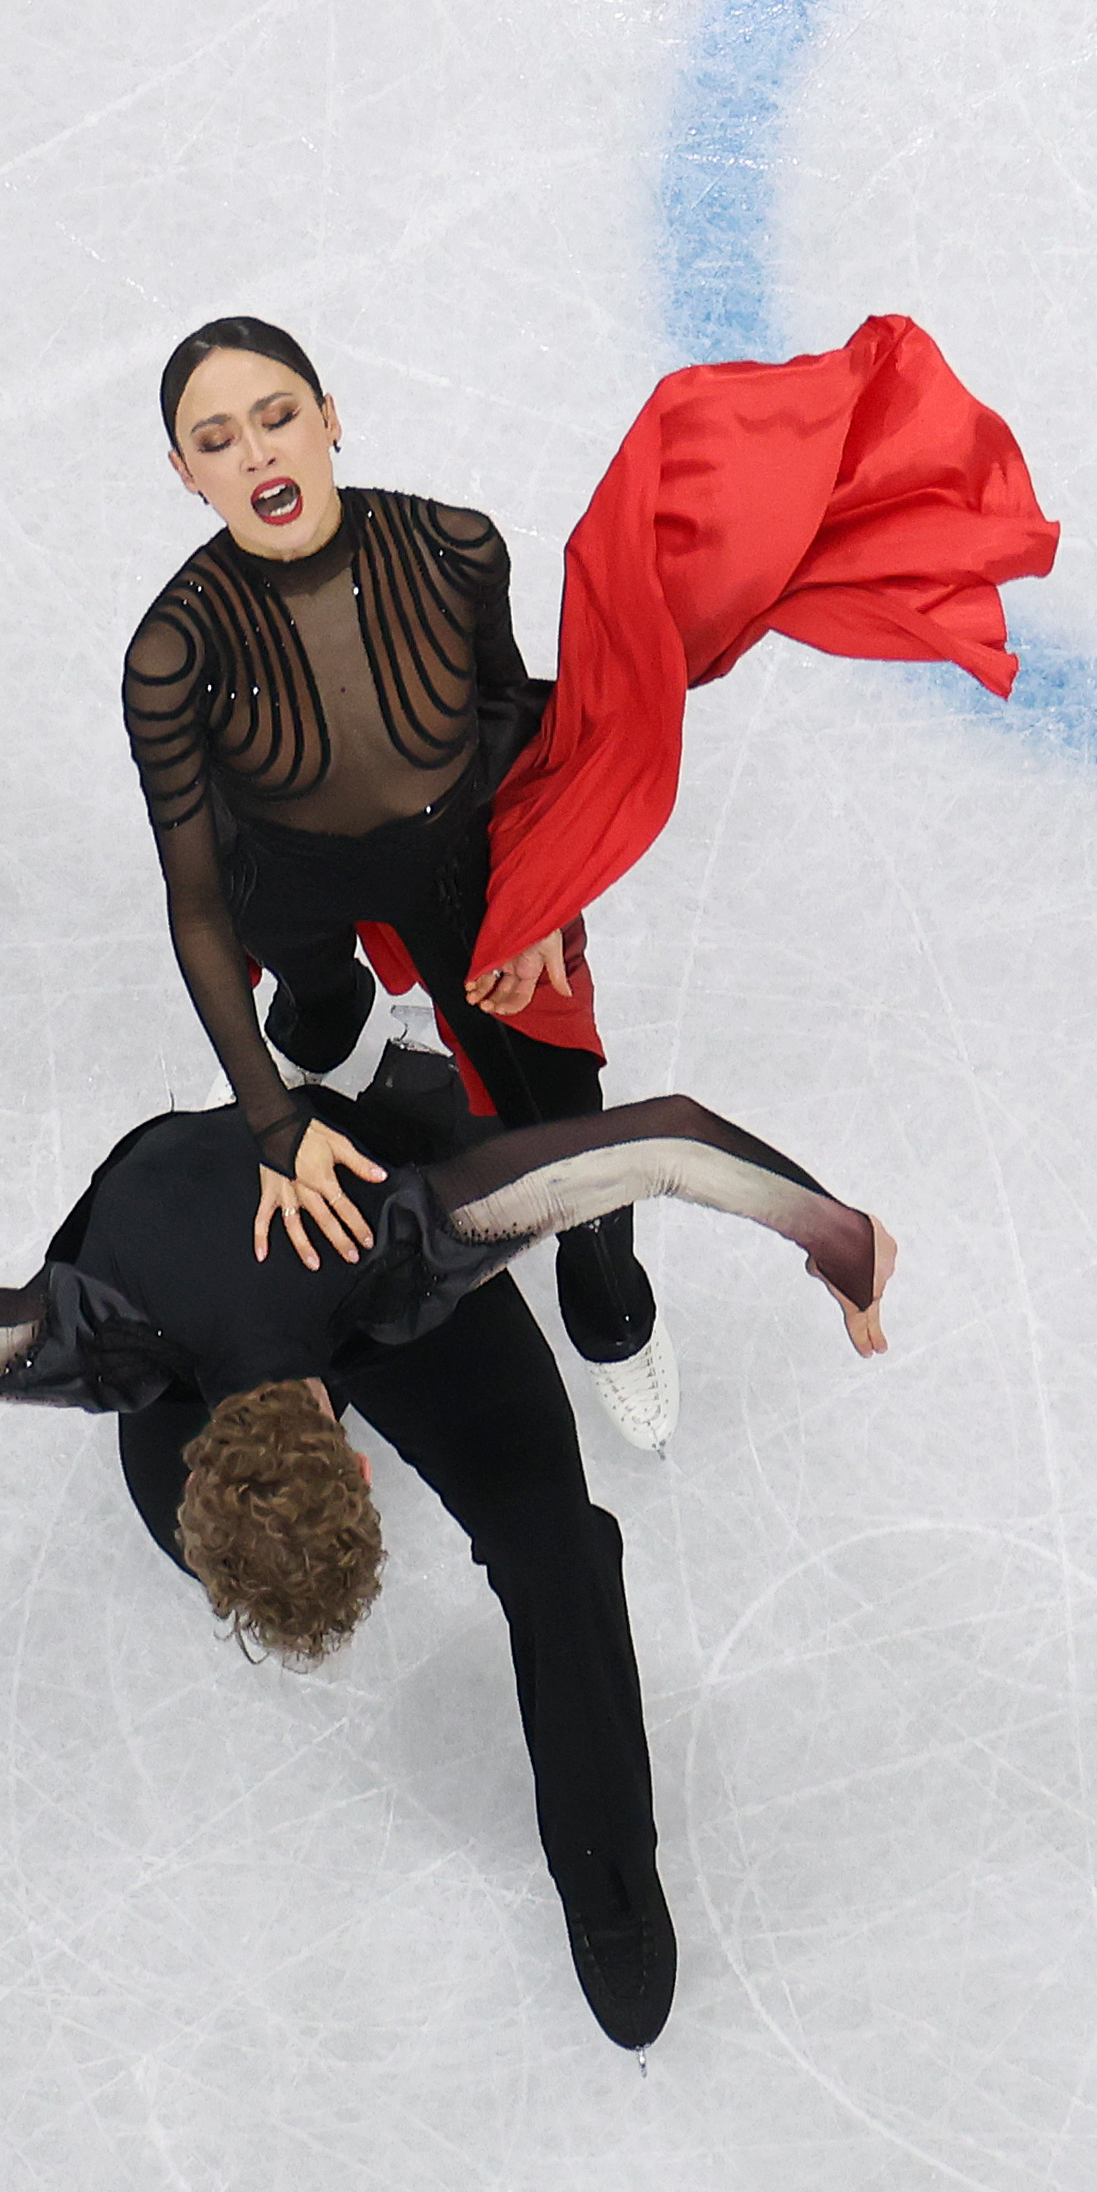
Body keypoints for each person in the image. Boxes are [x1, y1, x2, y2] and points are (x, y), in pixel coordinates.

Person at [0, 1042, 898, 2049]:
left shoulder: (404, 1244)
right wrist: (840, 1244)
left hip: (340, 1234)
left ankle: (609, 1874)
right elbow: (665, 1141)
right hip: (192, 1306)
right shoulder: (97, 1339)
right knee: (406, 1539)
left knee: (555, 1550)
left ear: (349, 1462)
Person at [132, 317, 678, 1444]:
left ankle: (612, 1310)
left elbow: (505, 721)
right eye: (218, 440)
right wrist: (273, 1123)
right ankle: (325, 1019)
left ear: (329, 418)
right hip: (281, 877)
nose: (257, 453)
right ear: (186, 473)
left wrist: (535, 896)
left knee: (566, 1123)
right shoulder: (174, 655)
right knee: (318, 1008)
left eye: (278, 417)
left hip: (452, 860)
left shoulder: (454, 548)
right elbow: (197, 902)